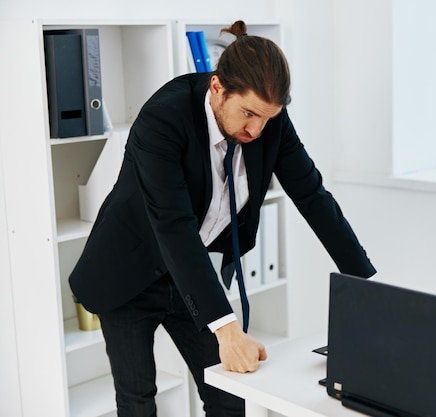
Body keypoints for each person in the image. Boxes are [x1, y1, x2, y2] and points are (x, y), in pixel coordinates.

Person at [69, 20, 376, 417]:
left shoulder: (268, 121)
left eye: (267, 118)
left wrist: (365, 286)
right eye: (249, 114)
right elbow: (174, 226)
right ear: (217, 88)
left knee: (230, 397)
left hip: (188, 276)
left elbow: (313, 197)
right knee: (138, 399)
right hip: (127, 272)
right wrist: (227, 329)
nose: (257, 129)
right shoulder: (162, 119)